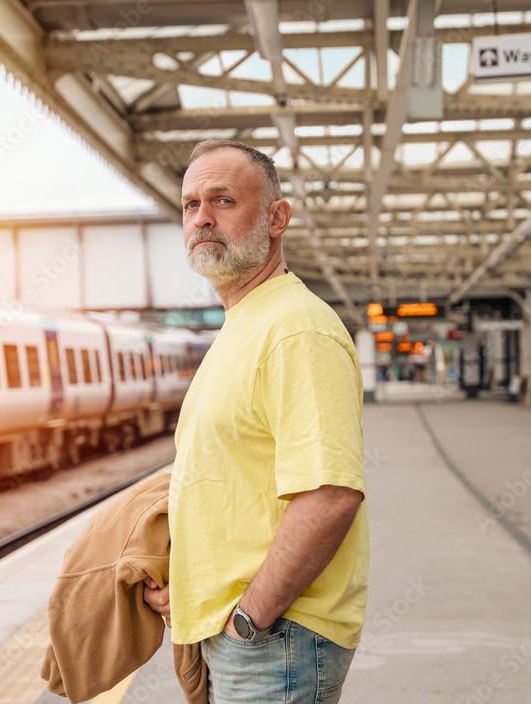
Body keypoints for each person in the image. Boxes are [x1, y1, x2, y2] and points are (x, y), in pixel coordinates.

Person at [143, 139, 368, 703]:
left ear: (276, 218)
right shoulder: (243, 325)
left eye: (222, 200)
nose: (202, 218)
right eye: (191, 204)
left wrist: (250, 618)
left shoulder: (296, 329)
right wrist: (196, 588)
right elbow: (231, 483)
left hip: (275, 640)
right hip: (249, 635)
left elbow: (330, 493)